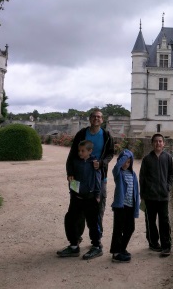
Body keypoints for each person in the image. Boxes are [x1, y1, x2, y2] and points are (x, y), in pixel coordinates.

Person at [65, 109, 114, 239]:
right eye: (94, 116)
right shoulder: (81, 134)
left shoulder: (106, 135)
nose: (96, 119)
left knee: (98, 208)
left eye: (99, 117)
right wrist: (70, 172)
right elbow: (72, 155)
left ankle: (97, 238)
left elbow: (110, 153)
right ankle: (76, 237)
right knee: (76, 207)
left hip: (99, 177)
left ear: (102, 120)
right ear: (90, 119)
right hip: (79, 177)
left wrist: (102, 163)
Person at [57, 140, 103, 259]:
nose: (80, 153)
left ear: (90, 151)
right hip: (77, 198)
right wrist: (72, 192)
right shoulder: (75, 162)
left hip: (91, 198)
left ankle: (97, 246)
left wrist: (97, 195)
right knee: (70, 219)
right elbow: (72, 178)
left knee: (93, 223)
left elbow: (98, 180)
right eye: (79, 150)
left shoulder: (94, 163)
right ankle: (73, 246)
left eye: (83, 151)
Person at [139, 133, 173, 257]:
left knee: (164, 221)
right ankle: (153, 243)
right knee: (151, 221)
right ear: (152, 143)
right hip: (150, 196)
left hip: (163, 195)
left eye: (160, 141)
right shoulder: (147, 159)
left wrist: (168, 187)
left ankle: (166, 245)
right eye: (156, 141)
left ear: (163, 144)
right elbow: (142, 178)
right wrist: (142, 195)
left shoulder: (168, 158)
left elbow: (171, 175)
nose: (158, 143)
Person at [109, 149, 140, 263]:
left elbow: (136, 191)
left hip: (130, 206)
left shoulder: (133, 174)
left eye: (128, 162)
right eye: (124, 161)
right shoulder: (118, 173)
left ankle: (121, 249)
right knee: (118, 229)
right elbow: (116, 167)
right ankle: (116, 253)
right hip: (121, 206)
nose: (126, 164)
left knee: (130, 228)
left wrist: (137, 206)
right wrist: (128, 154)